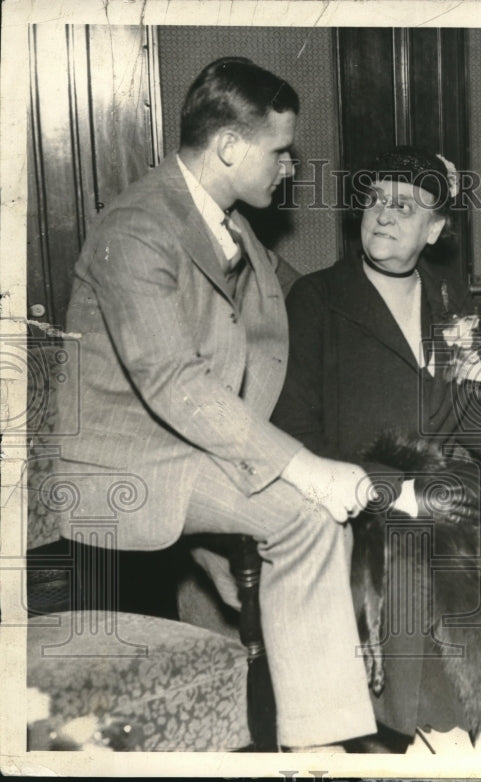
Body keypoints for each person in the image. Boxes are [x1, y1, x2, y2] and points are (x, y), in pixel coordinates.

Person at [51, 58, 376, 752]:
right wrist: (304, 466)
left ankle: (303, 733)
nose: (290, 167)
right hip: (127, 464)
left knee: (307, 511)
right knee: (301, 508)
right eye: (280, 151)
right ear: (229, 147)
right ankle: (319, 750)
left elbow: (289, 301)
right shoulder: (136, 228)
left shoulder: (225, 220)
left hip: (191, 449)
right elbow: (174, 383)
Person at [270, 146, 481, 753]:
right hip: (356, 485)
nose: (383, 215)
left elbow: (466, 400)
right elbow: (294, 427)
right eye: (374, 200)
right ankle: (437, 721)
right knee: (419, 537)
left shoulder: (448, 294)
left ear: (435, 228)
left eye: (404, 206)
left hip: (440, 479)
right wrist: (390, 486)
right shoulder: (318, 299)